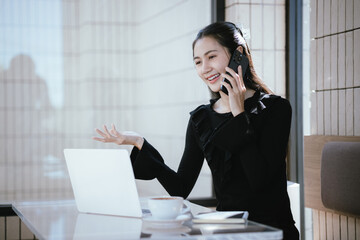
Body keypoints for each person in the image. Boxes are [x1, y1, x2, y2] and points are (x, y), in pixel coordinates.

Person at [93, 22, 299, 239]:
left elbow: (260, 181)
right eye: (198, 62)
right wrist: (139, 143)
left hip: (273, 232)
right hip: (228, 233)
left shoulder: (276, 108)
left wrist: (238, 113)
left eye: (211, 57)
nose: (204, 69)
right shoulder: (201, 119)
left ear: (238, 55)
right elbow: (180, 188)